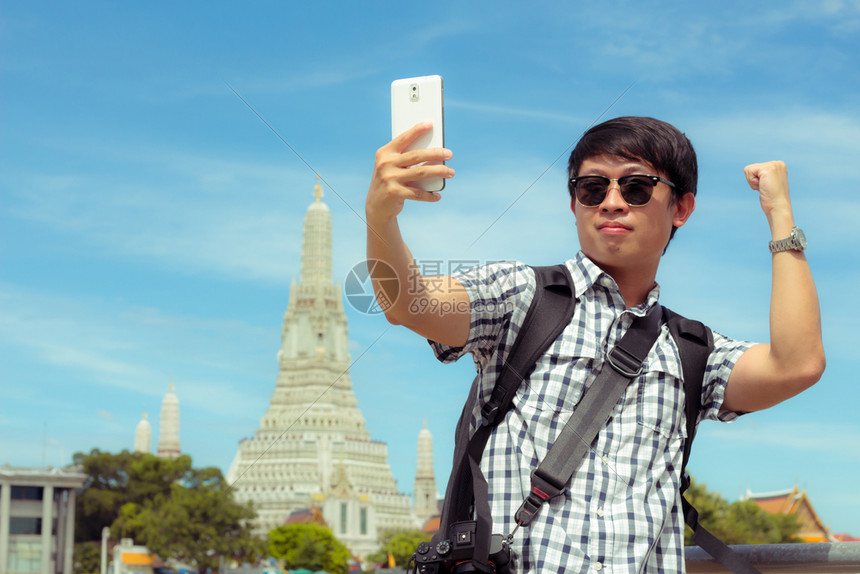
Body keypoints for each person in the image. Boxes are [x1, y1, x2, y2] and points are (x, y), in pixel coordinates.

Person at [364, 116, 824, 572]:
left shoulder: (690, 351)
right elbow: (410, 302)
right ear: (574, 203)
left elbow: (797, 364)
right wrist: (380, 216)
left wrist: (780, 215)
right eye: (592, 188)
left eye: (637, 188)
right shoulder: (522, 296)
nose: (612, 202)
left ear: (681, 209)